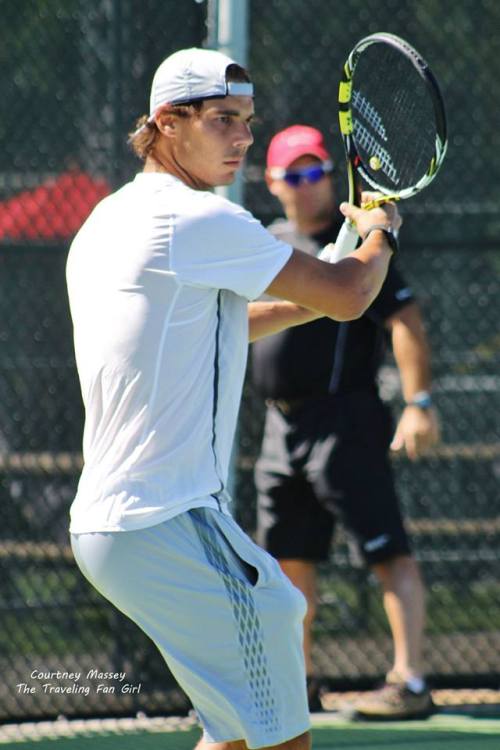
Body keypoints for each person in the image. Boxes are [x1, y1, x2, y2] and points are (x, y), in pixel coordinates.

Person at [66, 48, 400, 750]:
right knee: (281, 696)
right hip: (165, 518)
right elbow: (351, 295)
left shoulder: (110, 218)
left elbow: (224, 325)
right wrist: (379, 235)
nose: (243, 138)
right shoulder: (193, 221)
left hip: (117, 526)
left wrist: (328, 284)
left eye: (247, 120)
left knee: (237, 733)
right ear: (166, 123)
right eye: (222, 120)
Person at [252, 125, 440, 719]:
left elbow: (404, 321)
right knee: (286, 563)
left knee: (387, 551)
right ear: (273, 182)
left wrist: (419, 403)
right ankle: (295, 684)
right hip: (279, 430)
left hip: (347, 423)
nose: (310, 184)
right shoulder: (261, 244)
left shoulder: (365, 249)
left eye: (318, 172)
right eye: (296, 174)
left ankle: (409, 682)